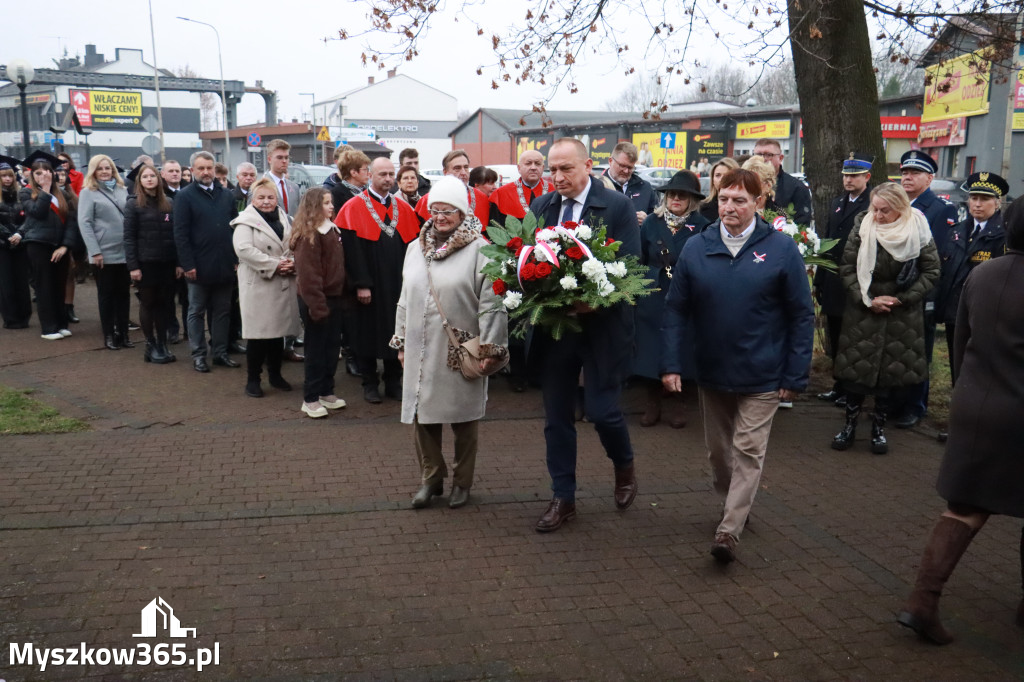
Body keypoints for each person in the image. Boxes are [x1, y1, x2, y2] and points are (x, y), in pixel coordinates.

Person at [662, 168, 814, 563]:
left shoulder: (781, 248)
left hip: (764, 371)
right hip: (712, 369)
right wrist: (671, 363)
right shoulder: (697, 247)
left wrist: (795, 373)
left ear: (759, 203)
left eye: (740, 200)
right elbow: (676, 310)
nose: (729, 207)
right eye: (724, 199)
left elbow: (801, 315)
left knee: (747, 449)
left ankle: (728, 531)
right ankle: (736, 503)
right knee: (719, 454)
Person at [897, 194, 1024, 645]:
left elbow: (960, 343)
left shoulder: (981, 274)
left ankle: (922, 602)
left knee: (964, 508)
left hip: (977, 406)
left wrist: (968, 391)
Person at [527, 137, 640, 532]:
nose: (557, 177)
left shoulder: (617, 207)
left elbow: (630, 266)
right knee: (557, 417)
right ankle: (563, 497)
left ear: (588, 166)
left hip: (603, 329)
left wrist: (596, 300)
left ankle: (624, 465)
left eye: (566, 169)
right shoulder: (542, 207)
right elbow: (526, 259)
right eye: (552, 170)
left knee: (603, 412)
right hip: (557, 329)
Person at [392, 175, 509, 509]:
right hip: (419, 346)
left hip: (460, 349)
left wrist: (491, 347)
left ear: (462, 212)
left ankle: (462, 481)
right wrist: (401, 341)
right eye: (435, 210)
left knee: (463, 418)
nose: (440, 217)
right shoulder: (414, 249)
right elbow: (404, 298)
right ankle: (431, 478)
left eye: (448, 211)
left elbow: (493, 303)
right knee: (421, 415)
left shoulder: (481, 250)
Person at [830, 182, 940, 455]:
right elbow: (848, 267)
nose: (877, 215)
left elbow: (931, 271)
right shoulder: (863, 225)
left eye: (885, 210)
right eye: (874, 208)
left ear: (900, 208)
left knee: (888, 375)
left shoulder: (917, 227)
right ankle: (849, 426)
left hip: (900, 312)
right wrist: (867, 299)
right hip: (863, 310)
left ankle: (878, 429)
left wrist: (902, 299)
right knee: (856, 371)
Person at [335, 157, 420, 403]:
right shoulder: (352, 207)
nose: (388, 179)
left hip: (397, 283)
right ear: (370, 175)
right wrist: (361, 284)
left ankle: (393, 381)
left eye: (391, 174)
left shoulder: (404, 208)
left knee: (397, 329)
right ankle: (369, 383)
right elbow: (351, 252)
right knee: (367, 333)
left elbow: (413, 248)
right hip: (369, 283)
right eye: (382, 174)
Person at [889, 150, 959, 429]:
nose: (907, 177)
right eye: (904, 172)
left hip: (921, 291)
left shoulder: (941, 209)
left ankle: (915, 406)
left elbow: (938, 258)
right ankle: (894, 403)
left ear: (929, 179)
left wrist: (928, 295)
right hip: (894, 289)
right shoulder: (895, 205)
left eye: (915, 173)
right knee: (895, 349)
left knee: (918, 352)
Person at [635, 170, 709, 428]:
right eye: (671, 194)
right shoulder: (651, 223)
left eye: (682, 195)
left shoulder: (703, 226)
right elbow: (641, 257)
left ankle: (678, 401)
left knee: (681, 345)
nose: (675, 198)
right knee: (651, 346)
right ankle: (652, 401)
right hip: (654, 290)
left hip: (685, 291)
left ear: (692, 200)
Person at [933, 172, 1009, 385]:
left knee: (981, 371)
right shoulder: (956, 231)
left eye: (984, 199)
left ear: (997, 203)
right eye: (974, 198)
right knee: (956, 366)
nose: (977, 204)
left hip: (984, 315)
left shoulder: (1004, 235)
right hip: (955, 313)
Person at [230, 177, 300, 398]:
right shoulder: (244, 221)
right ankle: (253, 380)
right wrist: (275, 265)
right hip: (259, 284)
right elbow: (244, 250)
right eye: (261, 197)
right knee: (258, 336)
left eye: (271, 197)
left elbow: (294, 245)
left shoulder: (285, 218)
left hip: (282, 282)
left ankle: (275, 375)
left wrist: (293, 263)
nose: (266, 201)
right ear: (253, 199)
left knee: (278, 334)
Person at [172, 151, 240, 373]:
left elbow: (235, 229)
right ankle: (198, 355)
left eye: (209, 168)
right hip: (198, 266)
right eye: (201, 168)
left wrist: (235, 259)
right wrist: (188, 264)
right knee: (196, 311)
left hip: (224, 264)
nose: (206, 172)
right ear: (192, 170)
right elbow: (180, 234)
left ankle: (220, 353)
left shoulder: (226, 195)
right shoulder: (184, 196)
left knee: (222, 312)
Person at [814, 153, 873, 406]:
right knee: (837, 336)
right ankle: (839, 385)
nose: (849, 180)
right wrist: (820, 279)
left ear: (867, 177)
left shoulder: (872, 203)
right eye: (846, 175)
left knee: (854, 338)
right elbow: (827, 240)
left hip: (856, 279)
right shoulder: (837, 202)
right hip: (833, 278)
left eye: (855, 176)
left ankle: (853, 389)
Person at [291, 188, 349, 418]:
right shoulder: (309, 236)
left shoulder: (331, 230)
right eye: (326, 203)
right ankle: (311, 398)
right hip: (316, 300)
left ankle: (326, 391)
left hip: (333, 298)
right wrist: (317, 306)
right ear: (314, 207)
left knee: (331, 348)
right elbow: (309, 276)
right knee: (316, 350)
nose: (331, 206)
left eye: (331, 202)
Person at [15, 151, 76, 340]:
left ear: (53, 172)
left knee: (59, 285)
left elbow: (71, 221)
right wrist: (46, 190)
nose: (43, 175)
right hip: (38, 245)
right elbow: (37, 212)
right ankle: (49, 328)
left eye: (47, 171)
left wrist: (65, 246)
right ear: (32, 175)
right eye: (38, 173)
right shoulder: (26, 193)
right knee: (45, 286)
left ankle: (61, 324)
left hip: (59, 246)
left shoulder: (63, 194)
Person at [124, 164, 178, 364]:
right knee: (148, 303)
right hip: (145, 263)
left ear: (158, 179)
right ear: (140, 180)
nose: (149, 179)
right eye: (145, 176)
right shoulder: (133, 204)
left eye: (152, 176)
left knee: (164, 304)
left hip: (167, 262)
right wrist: (133, 266)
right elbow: (129, 237)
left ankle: (162, 343)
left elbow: (176, 234)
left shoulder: (169, 203)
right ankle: (150, 344)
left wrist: (179, 263)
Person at [78, 154, 132, 350]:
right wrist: (94, 251)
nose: (104, 172)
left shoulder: (122, 190)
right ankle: (109, 334)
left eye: (107, 168)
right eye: (100, 168)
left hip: (124, 250)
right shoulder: (88, 192)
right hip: (103, 252)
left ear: (113, 170)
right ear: (93, 171)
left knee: (123, 294)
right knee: (106, 295)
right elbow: (85, 223)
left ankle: (123, 334)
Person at [415, 150, 490, 228]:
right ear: (445, 172)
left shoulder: (482, 198)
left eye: (466, 167)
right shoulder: (427, 200)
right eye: (457, 168)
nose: (463, 173)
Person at [0, 155, 31, 329]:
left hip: (20, 243)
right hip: (2, 245)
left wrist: (19, 234)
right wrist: (8, 235)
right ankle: (10, 318)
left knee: (21, 281)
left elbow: (29, 217)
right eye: (3, 176)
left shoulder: (21, 194)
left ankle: (24, 315)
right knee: (6, 282)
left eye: (10, 175)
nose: (7, 179)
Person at [752, 139, 812, 225]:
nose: (763, 159)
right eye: (758, 155)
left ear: (780, 158)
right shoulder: (743, 183)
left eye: (769, 155)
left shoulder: (797, 188)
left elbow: (802, 224)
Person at [489, 149, 553, 224]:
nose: (533, 167)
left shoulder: (555, 191)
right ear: (519, 168)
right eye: (528, 163)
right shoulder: (501, 194)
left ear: (543, 168)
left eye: (537, 164)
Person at [603, 142, 658, 227]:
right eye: (622, 166)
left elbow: (658, 223)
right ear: (610, 161)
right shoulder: (598, 186)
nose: (626, 171)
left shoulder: (645, 188)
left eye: (630, 167)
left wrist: (647, 220)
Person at [329, 149, 371, 221]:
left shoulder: (368, 192)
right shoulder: (335, 194)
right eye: (365, 169)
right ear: (353, 173)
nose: (369, 173)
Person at [264, 139, 298, 219]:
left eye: (286, 157)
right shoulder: (260, 186)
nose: (284, 161)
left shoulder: (294, 187)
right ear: (269, 159)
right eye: (279, 157)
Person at [699, 157, 739, 223]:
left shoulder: (745, 206)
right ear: (713, 180)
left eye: (727, 175)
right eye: (718, 175)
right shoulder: (701, 208)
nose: (721, 179)